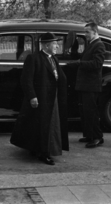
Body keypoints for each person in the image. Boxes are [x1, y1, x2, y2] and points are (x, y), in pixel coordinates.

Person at [10, 32, 69, 165]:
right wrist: (32, 96)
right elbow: (26, 79)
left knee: (48, 126)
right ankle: (43, 153)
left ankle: (42, 150)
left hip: (51, 99)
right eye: (55, 44)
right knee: (41, 127)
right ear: (47, 45)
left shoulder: (54, 59)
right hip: (41, 98)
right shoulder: (34, 58)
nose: (57, 47)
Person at [68, 22, 106, 148]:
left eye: (87, 32)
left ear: (95, 32)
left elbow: (96, 64)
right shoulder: (92, 44)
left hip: (91, 84)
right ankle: (90, 135)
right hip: (86, 84)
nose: (86, 34)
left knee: (91, 112)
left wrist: (79, 62)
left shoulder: (99, 45)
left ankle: (97, 137)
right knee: (86, 112)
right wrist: (75, 51)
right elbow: (88, 59)